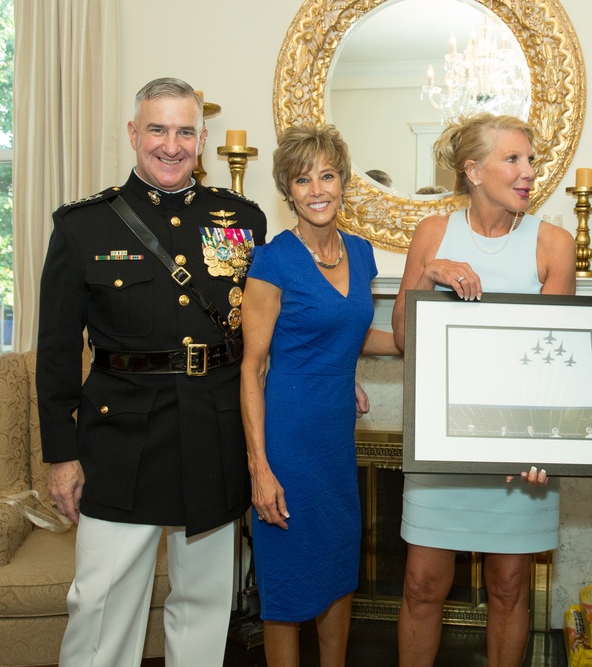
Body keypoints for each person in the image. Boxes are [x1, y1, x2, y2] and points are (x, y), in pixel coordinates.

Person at [37, 77, 267, 666]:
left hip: (213, 431)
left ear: (203, 139)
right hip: (122, 437)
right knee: (102, 604)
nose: (172, 145)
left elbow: (264, 332)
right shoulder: (82, 226)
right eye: (158, 129)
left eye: (184, 131)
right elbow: (58, 351)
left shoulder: (242, 221)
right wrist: (61, 455)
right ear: (134, 134)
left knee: (205, 602)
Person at [391, 112, 576, 667]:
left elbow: (556, 365)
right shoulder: (432, 233)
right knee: (422, 584)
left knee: (510, 586)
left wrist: (542, 445)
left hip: (517, 451)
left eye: (531, 160)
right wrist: (430, 272)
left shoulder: (553, 244)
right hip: (442, 443)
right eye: (513, 159)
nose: (528, 172)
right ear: (473, 170)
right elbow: (404, 338)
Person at [240, 124, 398, 666]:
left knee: (337, 572)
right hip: (287, 438)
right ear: (287, 189)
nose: (317, 189)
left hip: (334, 441)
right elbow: (252, 365)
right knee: (286, 585)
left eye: (326, 174)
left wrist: (427, 340)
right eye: (302, 179)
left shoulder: (362, 252)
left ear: (343, 181)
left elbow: (350, 333)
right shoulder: (273, 260)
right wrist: (260, 468)